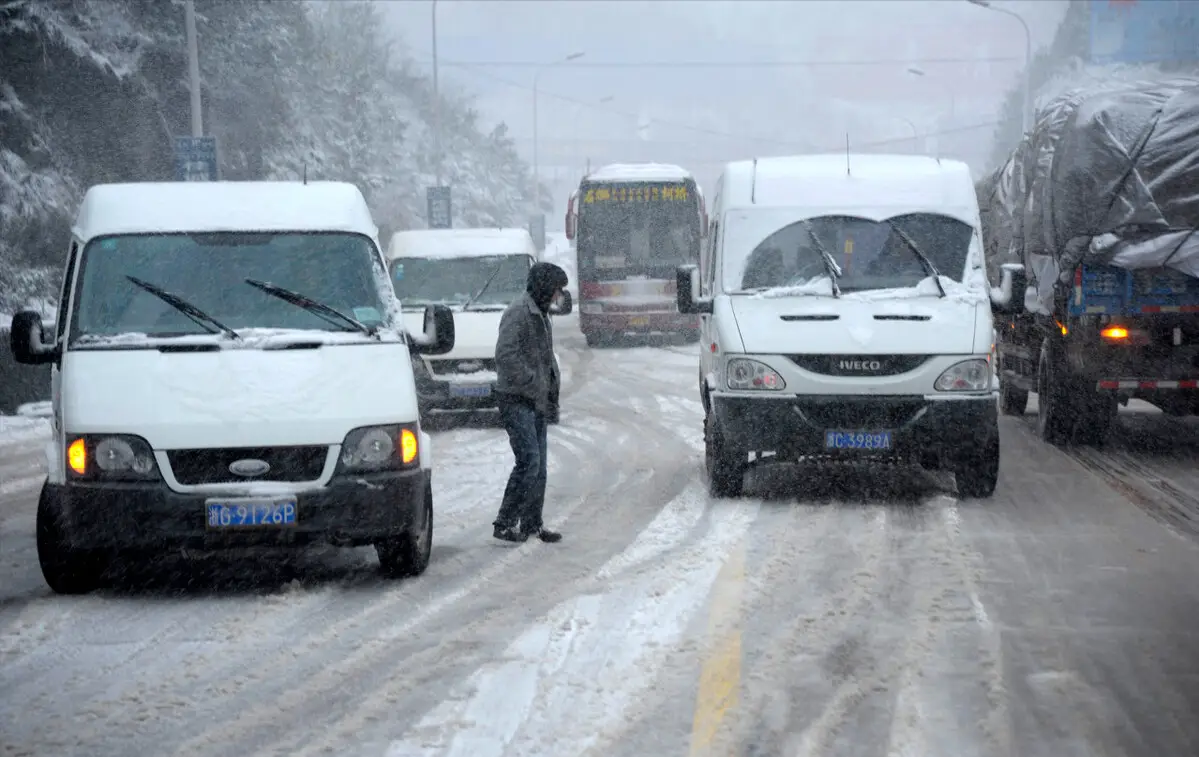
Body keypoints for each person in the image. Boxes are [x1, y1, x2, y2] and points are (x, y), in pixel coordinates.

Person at [491, 261, 570, 543]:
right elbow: (505, 356)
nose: (559, 296)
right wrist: (532, 382)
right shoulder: (518, 313)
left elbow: (545, 358)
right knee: (529, 461)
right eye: (557, 289)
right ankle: (505, 522)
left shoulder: (541, 313)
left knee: (540, 468)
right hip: (516, 398)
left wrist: (550, 390)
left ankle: (532, 524)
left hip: (536, 399)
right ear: (544, 288)